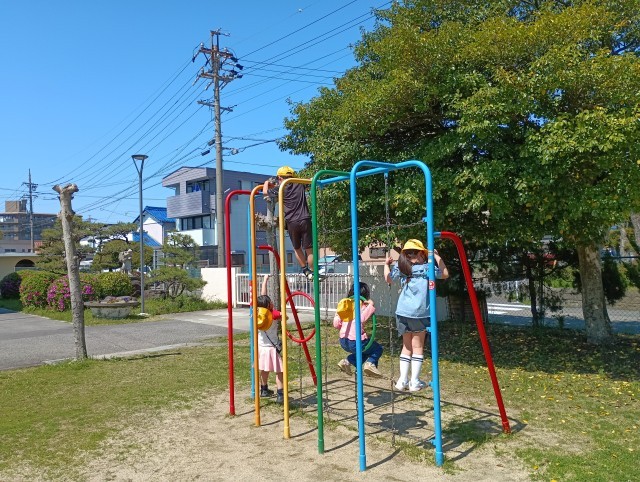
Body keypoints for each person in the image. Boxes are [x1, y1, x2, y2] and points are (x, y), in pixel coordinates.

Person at [384, 239, 449, 392]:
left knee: (406, 346)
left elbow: (388, 279)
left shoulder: (402, 268)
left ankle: (402, 381)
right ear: (421, 254)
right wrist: (436, 256)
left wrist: (386, 265)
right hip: (419, 313)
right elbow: (445, 274)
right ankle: (414, 382)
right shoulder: (427, 268)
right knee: (417, 346)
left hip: (402, 312)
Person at [263, 166, 315, 280]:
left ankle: (305, 270)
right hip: (305, 219)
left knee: (297, 248)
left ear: (280, 178)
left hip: (292, 222)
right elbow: (312, 180)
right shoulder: (299, 183)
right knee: (309, 249)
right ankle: (313, 272)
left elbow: (265, 192)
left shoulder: (280, 188)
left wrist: (267, 183)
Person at [333, 282, 383, 378]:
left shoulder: (345, 306)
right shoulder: (362, 306)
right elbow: (362, 318)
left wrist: (338, 316)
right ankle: (370, 364)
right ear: (365, 295)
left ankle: (346, 362)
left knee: (364, 352)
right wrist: (371, 305)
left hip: (343, 341)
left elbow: (336, 324)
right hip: (356, 341)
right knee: (377, 348)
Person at [257, 275, 284, 403]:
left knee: (264, 369)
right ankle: (280, 394)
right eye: (271, 302)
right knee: (279, 371)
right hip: (272, 348)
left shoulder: (257, 313)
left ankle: (264, 389)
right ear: (269, 305)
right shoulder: (273, 314)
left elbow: (263, 297)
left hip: (261, 347)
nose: (272, 302)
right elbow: (284, 316)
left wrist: (265, 281)